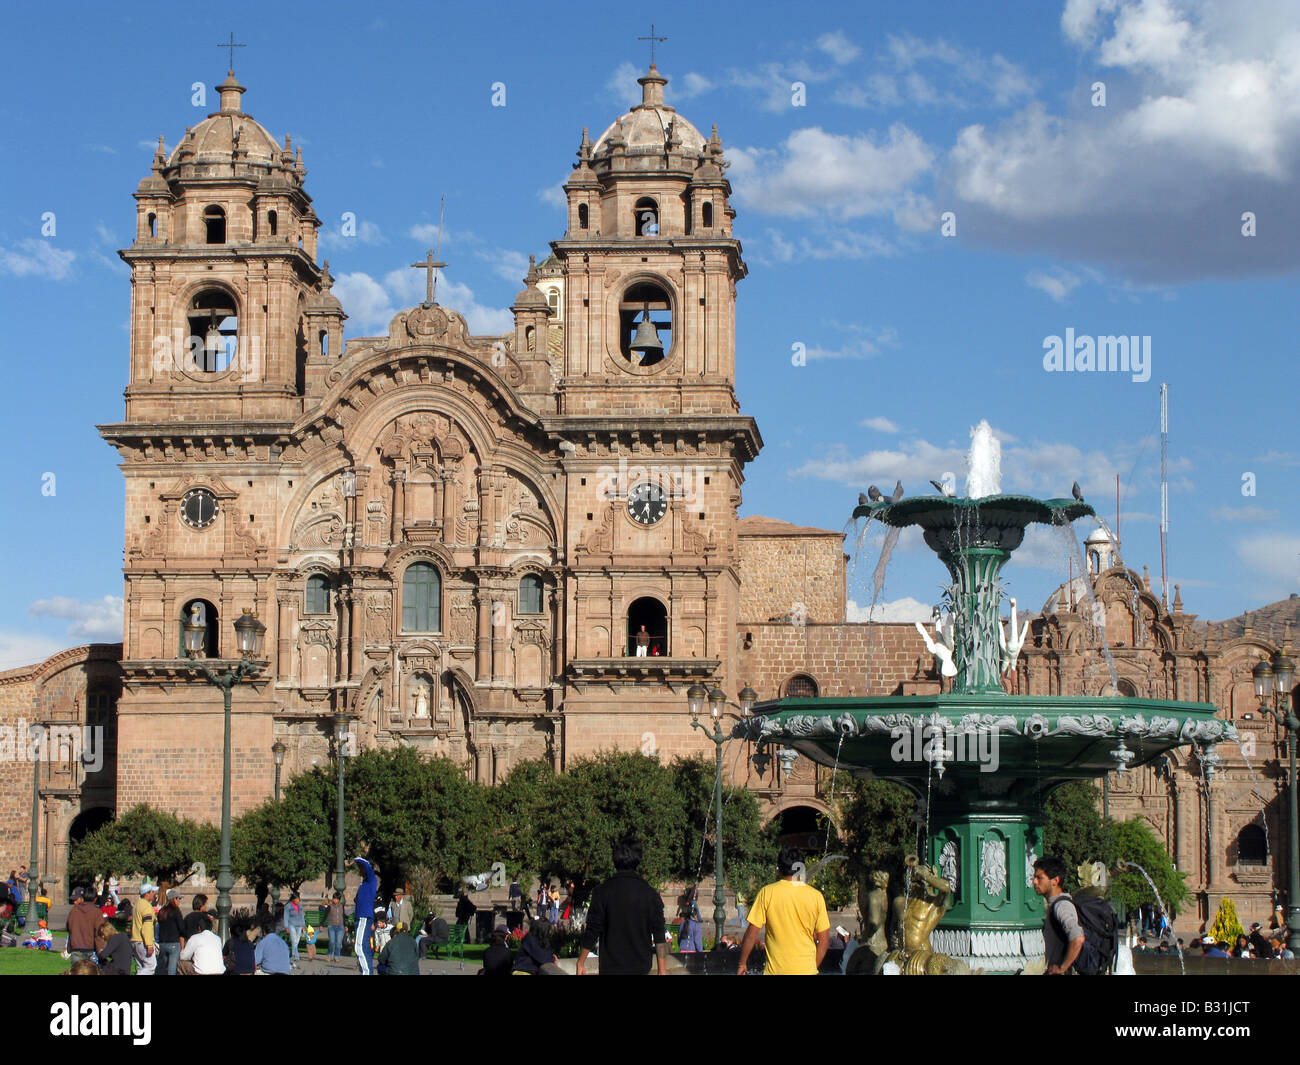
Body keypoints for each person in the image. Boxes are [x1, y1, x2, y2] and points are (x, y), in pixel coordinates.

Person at [577, 837, 669, 976]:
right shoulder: (650, 894)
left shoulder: (602, 891)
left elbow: (592, 930)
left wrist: (581, 962)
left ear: (614, 860)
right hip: (640, 967)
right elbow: (659, 934)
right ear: (638, 860)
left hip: (611, 967)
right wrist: (662, 970)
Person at [737, 847, 831, 976]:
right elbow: (824, 940)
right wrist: (812, 967)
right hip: (807, 970)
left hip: (775, 971)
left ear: (779, 869)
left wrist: (742, 963)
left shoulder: (767, 893)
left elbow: (751, 935)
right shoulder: (816, 896)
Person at [1031, 856, 1086, 976]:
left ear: (1055, 881)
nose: (1034, 882)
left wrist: (1062, 968)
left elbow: (1078, 938)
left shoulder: (1062, 906)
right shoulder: (1055, 905)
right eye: (1034, 877)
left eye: (1039, 878)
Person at [351, 856, 378, 976]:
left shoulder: (371, 879)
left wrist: (357, 860)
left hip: (364, 917)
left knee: (359, 946)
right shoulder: (364, 883)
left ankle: (367, 973)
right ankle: (366, 971)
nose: (360, 871)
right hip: (360, 917)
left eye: (361, 869)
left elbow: (367, 865)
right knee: (365, 947)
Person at [65, 887, 101, 964]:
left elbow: (68, 927)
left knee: (77, 971)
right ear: (95, 899)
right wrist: (100, 949)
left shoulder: (74, 911)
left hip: (76, 948)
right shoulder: (96, 912)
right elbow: (99, 931)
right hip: (91, 948)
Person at [131, 881, 158, 976]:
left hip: (135, 940)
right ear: (147, 894)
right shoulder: (146, 906)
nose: (154, 894)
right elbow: (147, 927)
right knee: (151, 966)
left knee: (141, 967)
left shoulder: (137, 905)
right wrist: (149, 944)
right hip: (143, 941)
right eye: (153, 892)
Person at [155, 889, 185, 976]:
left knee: (162, 969)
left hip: (163, 943)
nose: (179, 901)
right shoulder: (176, 911)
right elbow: (181, 928)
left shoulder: (162, 911)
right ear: (174, 899)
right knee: (172, 970)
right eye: (178, 898)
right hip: (174, 943)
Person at [676, 885, 704, 954]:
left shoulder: (683, 923)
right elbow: (697, 941)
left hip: (682, 949)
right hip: (692, 950)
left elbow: (679, 937)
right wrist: (700, 952)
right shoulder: (696, 925)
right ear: (694, 915)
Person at [283, 891, 306, 967]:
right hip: (291, 925)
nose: (298, 900)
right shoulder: (288, 906)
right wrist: (286, 927)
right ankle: (294, 956)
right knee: (294, 941)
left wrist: (303, 925)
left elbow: (302, 916)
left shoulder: (300, 906)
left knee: (297, 941)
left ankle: (295, 955)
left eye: (298, 899)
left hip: (299, 925)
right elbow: (286, 917)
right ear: (293, 899)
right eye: (296, 899)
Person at [326, 890, 346, 963]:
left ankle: (336, 956)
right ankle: (329, 954)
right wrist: (321, 924)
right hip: (331, 926)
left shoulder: (341, 906)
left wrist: (345, 925)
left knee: (338, 942)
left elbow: (343, 916)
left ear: (339, 900)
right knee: (332, 941)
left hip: (340, 926)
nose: (335, 900)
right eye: (334, 898)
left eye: (337, 899)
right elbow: (325, 915)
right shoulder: (330, 906)